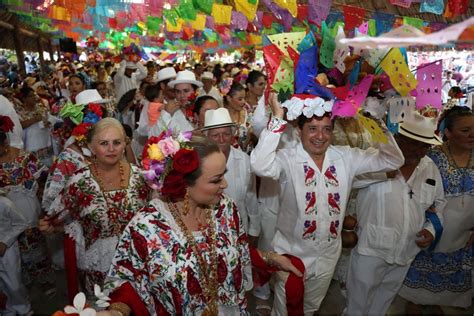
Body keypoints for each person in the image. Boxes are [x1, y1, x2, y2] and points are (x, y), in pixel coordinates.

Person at [99, 132, 300, 315]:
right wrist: (116, 312)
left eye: (224, 174)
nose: (225, 184)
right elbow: (127, 281)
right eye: (216, 180)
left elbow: (236, 249)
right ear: (185, 184)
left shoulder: (225, 208)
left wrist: (271, 258)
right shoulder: (146, 227)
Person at [250, 93, 404, 314]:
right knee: (285, 310)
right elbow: (259, 165)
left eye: (326, 129)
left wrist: (376, 121)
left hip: (328, 257)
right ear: (298, 131)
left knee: (311, 309)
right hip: (291, 255)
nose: (320, 136)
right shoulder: (288, 158)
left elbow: (393, 160)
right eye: (312, 128)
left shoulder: (345, 157)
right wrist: (277, 117)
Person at [345, 111, 446, 315]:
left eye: (422, 145)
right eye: (409, 142)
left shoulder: (429, 167)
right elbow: (349, 183)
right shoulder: (374, 159)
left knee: (383, 302)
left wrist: (431, 230)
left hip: (407, 248)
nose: (415, 150)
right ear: (397, 139)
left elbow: (439, 204)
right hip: (371, 247)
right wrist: (383, 173)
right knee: (357, 302)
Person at [42, 118, 149, 297]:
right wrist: (52, 226)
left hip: (137, 265)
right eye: (104, 143)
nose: (111, 148)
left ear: (125, 144)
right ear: (91, 147)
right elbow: (55, 218)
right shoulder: (80, 181)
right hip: (98, 270)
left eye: (117, 142)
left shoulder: (140, 177)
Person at [399, 106, 474, 313]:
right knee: (416, 284)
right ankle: (414, 303)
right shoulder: (430, 157)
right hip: (431, 231)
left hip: (463, 236)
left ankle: (434, 303)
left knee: (447, 283)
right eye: (465, 130)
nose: (472, 135)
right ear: (448, 132)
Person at [0, 115, 56, 297]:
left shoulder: (24, 158)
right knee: (15, 251)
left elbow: (43, 181)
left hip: (30, 210)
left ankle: (45, 281)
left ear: (5, 142)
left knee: (36, 246)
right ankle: (22, 285)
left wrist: (44, 210)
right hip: (7, 217)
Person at [201, 108, 259, 235]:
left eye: (226, 134)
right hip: (209, 230)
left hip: (239, 229)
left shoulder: (244, 160)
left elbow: (251, 197)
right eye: (215, 135)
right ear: (207, 137)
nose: (221, 139)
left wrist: (254, 230)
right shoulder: (200, 163)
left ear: (233, 134)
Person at [0, 192, 31, 316]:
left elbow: (21, 223)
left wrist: (5, 242)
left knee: (13, 283)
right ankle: (7, 309)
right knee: (2, 284)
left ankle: (24, 309)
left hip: (8, 250)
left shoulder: (4, 203)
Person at [149, 70, 203, 135]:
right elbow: (152, 136)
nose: (182, 95)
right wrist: (166, 114)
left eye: (186, 91)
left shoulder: (203, 108)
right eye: (178, 92)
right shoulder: (169, 112)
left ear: (195, 91)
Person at [16, 86, 54, 167]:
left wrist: (48, 122)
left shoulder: (40, 106)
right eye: (30, 96)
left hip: (45, 143)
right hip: (31, 145)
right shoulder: (20, 111)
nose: (34, 97)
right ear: (24, 98)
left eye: (34, 95)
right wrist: (34, 119)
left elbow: (49, 117)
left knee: (49, 166)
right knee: (36, 168)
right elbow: (19, 126)